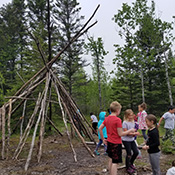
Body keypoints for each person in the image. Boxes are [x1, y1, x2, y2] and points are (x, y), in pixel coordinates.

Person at [99, 101, 136, 175]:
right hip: (116, 143)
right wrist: (130, 130)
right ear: (117, 110)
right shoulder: (118, 120)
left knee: (110, 159)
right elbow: (121, 134)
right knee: (115, 163)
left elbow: (100, 128)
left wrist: (103, 139)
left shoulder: (107, 118)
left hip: (109, 142)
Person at [122, 109, 139, 174]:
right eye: (129, 115)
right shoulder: (124, 122)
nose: (131, 117)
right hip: (126, 140)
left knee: (136, 152)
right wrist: (133, 134)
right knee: (129, 153)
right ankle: (127, 167)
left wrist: (134, 133)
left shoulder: (133, 122)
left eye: (132, 115)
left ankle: (131, 163)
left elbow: (133, 130)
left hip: (131, 140)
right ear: (126, 116)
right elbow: (126, 132)